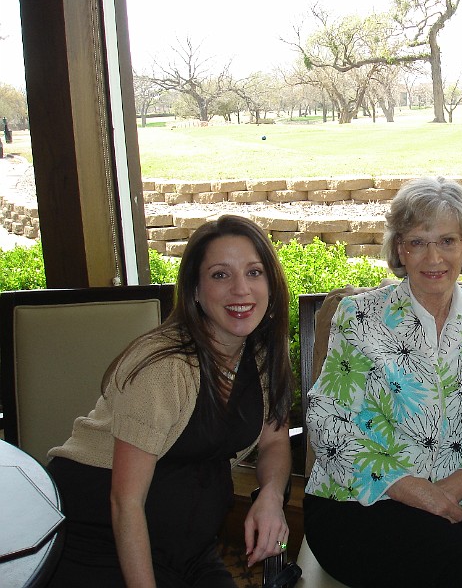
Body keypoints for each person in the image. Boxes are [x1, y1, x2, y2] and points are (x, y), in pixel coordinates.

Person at [303, 177, 462, 588]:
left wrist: (455, 486)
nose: (434, 257)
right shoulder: (360, 316)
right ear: (399, 249)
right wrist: (413, 490)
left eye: (447, 241)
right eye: (417, 242)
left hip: (460, 507)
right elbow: (327, 422)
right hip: (360, 506)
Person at [46, 214, 294, 587]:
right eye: (220, 275)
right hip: (99, 540)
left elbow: (274, 439)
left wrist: (271, 495)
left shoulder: (259, 354)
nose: (241, 290)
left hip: (189, 549)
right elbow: (125, 503)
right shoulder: (165, 367)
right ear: (195, 290)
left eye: (254, 272)